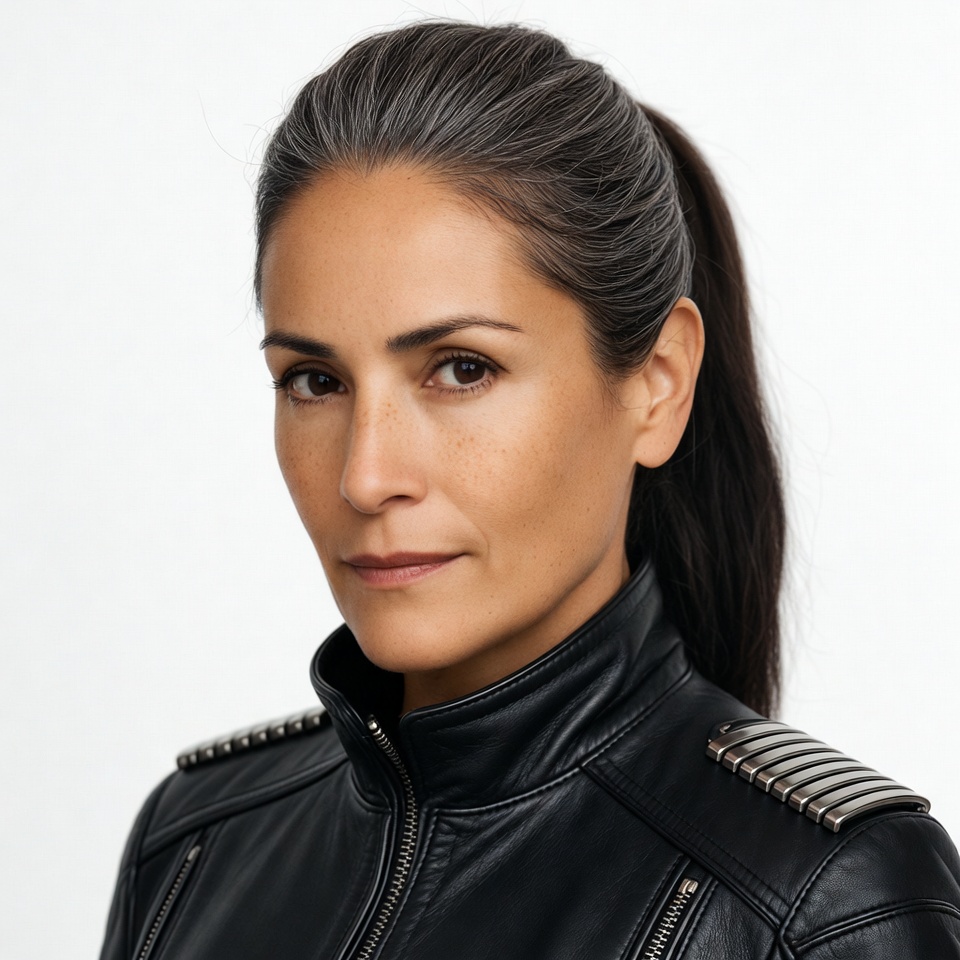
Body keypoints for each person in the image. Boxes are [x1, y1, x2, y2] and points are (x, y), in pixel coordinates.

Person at [99, 21, 960, 960]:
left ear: (658, 384)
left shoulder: (826, 903)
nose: (366, 476)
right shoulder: (193, 848)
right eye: (315, 380)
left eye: (461, 369)